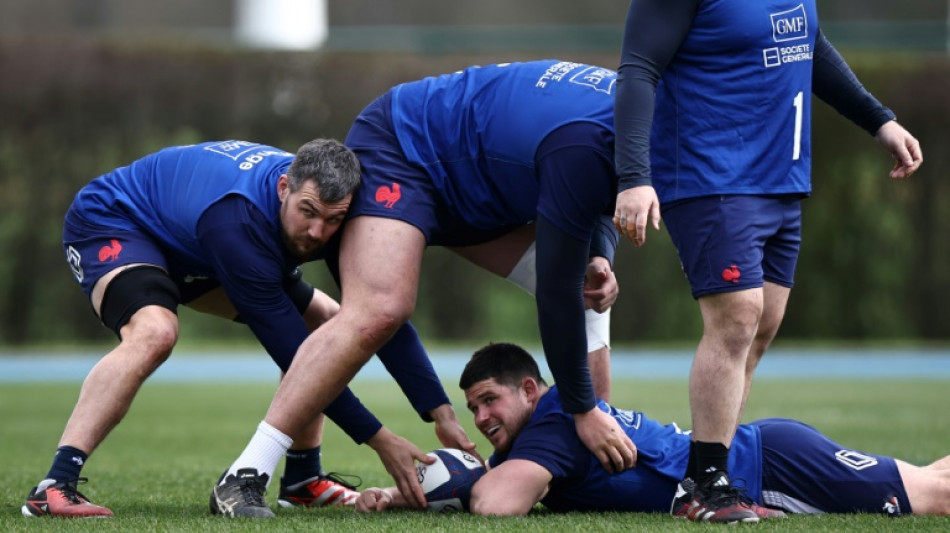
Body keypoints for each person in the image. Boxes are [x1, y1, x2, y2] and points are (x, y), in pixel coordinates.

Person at [210, 60, 639, 517]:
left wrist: (600, 258)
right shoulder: (598, 133)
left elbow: (603, 191)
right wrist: (578, 406)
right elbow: (560, 266)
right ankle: (244, 475)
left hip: (479, 188)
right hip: (406, 149)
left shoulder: (640, 116)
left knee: (589, 289)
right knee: (379, 308)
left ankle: (584, 460)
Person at [23, 139, 474, 518]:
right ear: (283, 187)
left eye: (334, 219)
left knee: (333, 323)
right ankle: (54, 485)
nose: (318, 232)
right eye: (308, 212)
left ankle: (302, 479)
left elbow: (379, 314)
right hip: (119, 220)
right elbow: (297, 357)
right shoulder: (237, 222)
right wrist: (381, 440)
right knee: (155, 332)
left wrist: (440, 411)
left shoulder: (337, 215)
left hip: (194, 241)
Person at [611, 0, 923, 522]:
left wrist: (879, 121)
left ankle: (718, 471)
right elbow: (638, 70)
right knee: (737, 317)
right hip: (711, 175)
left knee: (761, 326)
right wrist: (634, 177)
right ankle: (702, 486)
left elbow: (810, 46)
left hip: (780, 177)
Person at [356, 342, 950, 521]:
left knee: (930, 498)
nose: (482, 418)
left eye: (490, 401)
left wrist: (457, 484)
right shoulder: (557, 421)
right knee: (928, 477)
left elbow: (493, 503)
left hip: (766, 467)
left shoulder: (553, 430)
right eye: (473, 408)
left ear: (529, 391)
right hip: (765, 448)